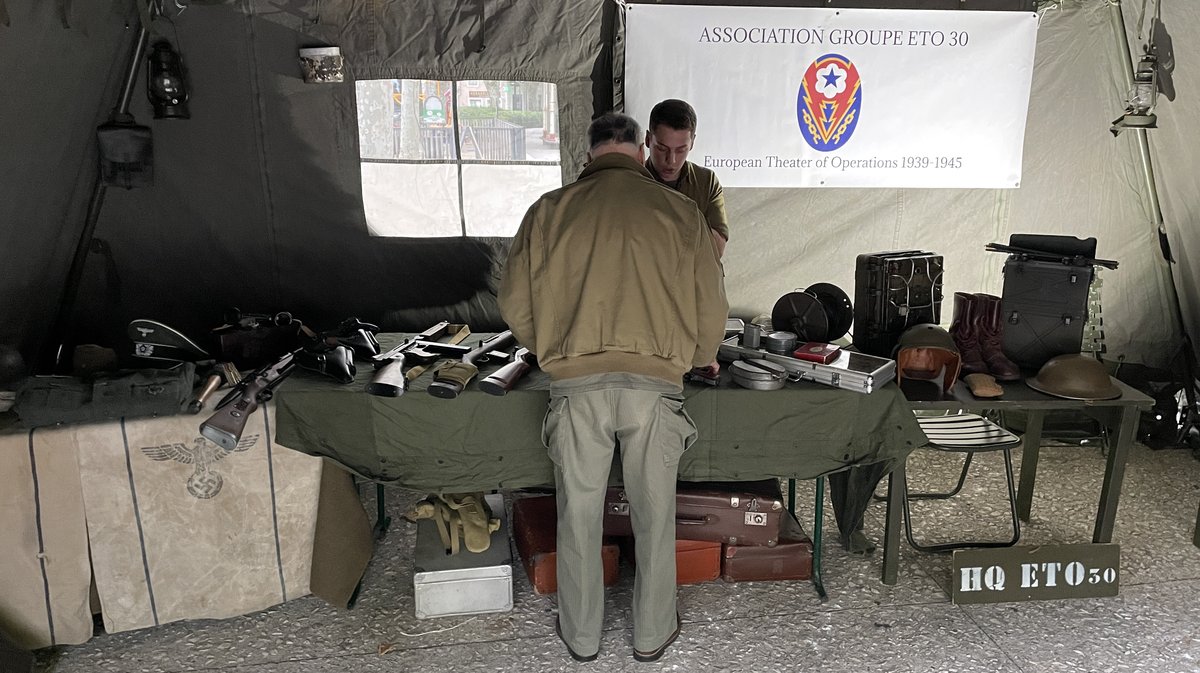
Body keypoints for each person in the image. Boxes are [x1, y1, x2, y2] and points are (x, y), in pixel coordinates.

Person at [499, 112, 728, 663]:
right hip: (656, 386)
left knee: (577, 516)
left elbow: (513, 305)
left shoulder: (548, 212)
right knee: (654, 513)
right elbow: (711, 308)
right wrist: (693, 357)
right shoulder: (681, 212)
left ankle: (581, 639)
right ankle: (651, 636)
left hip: (575, 386)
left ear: (591, 153)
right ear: (640, 150)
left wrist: (554, 347)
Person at [644, 99, 729, 257]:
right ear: (648, 140)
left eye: (681, 150)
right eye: (662, 149)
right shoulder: (631, 181)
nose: (671, 160)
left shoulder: (706, 182)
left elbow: (716, 249)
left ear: (692, 143)